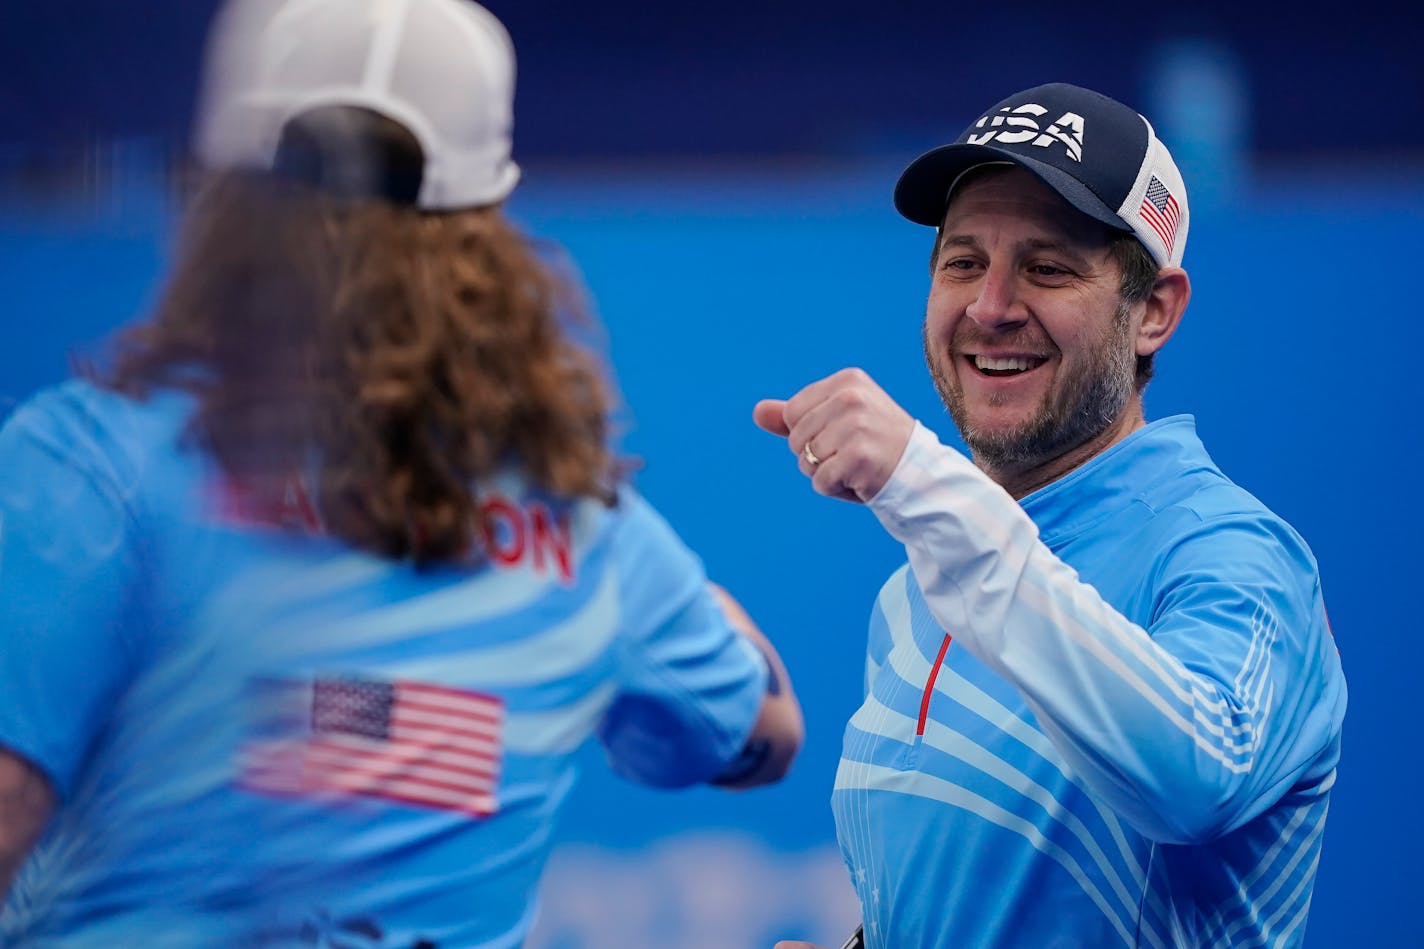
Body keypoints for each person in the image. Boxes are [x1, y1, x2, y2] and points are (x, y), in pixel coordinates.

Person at [0, 0, 802, 945]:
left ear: (221, 196)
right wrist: (652, 601)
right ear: (483, 233)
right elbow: (766, 727)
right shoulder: (591, 534)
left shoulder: (89, 469)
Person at [759, 82, 1345, 948]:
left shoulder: (1237, 557)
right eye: (963, 263)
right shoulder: (919, 585)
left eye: (1047, 267)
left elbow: (1194, 779)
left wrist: (926, 485)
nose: (991, 308)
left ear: (1153, 311)